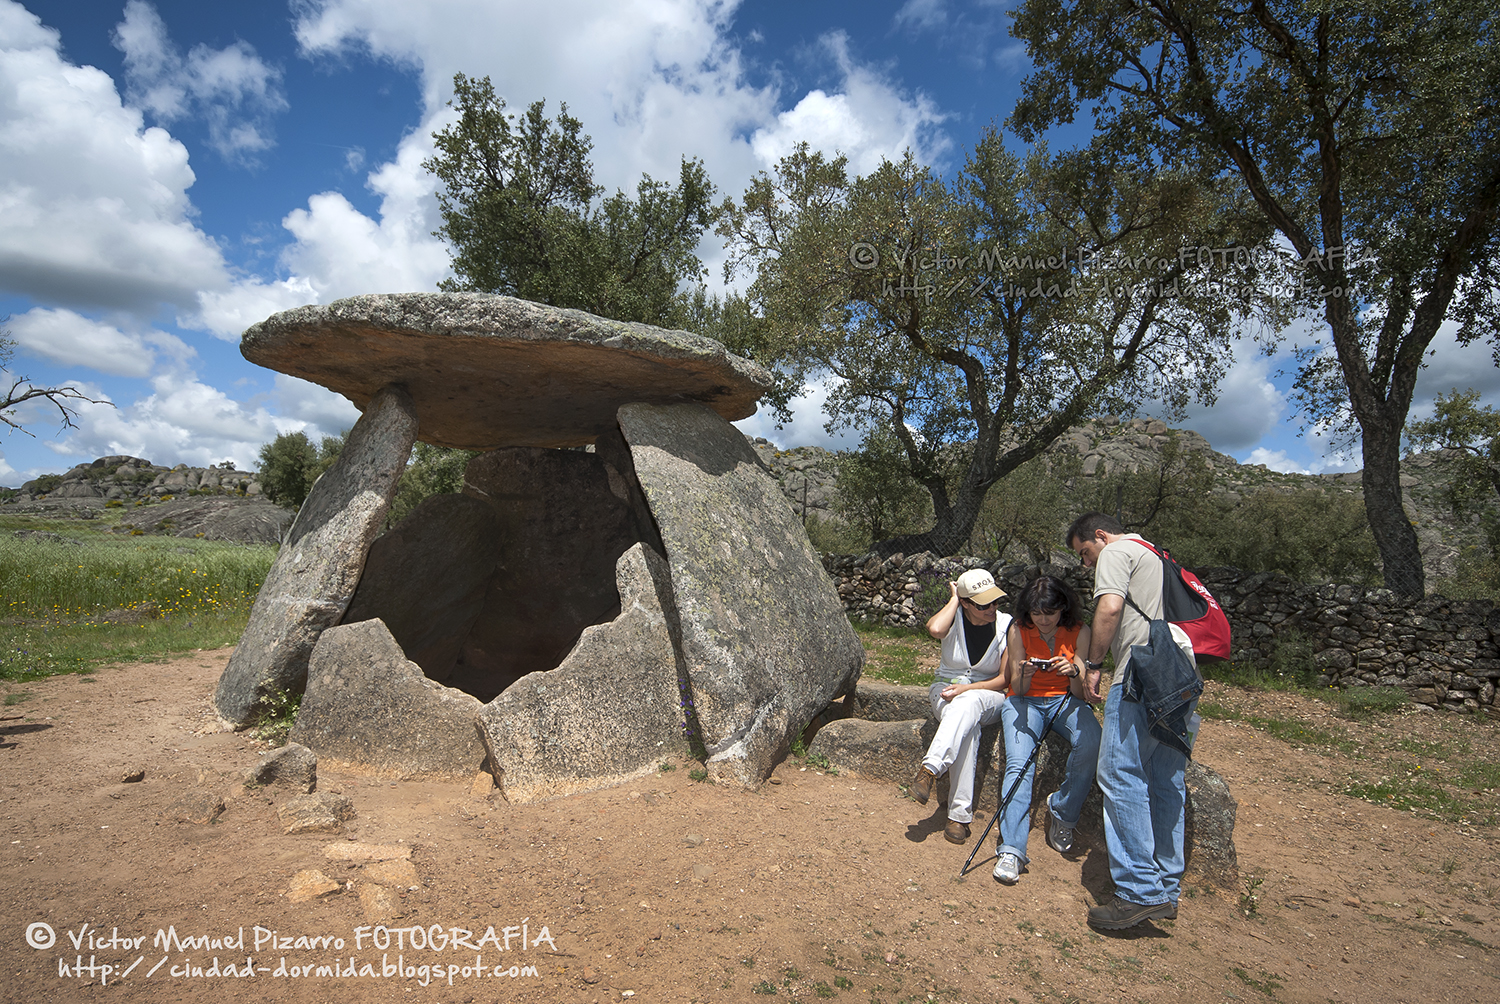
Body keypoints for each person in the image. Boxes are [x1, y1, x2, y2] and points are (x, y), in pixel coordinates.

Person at [1066, 511, 1194, 930]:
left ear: (1100, 536)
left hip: (1141, 670)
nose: (1086, 564)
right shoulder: (1157, 554)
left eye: (1085, 552)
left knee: (1119, 773)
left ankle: (1139, 890)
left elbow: (1111, 607)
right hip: (1181, 670)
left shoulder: (1117, 551)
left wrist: (1095, 664)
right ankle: (1166, 889)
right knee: (1165, 778)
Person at [991, 575, 1101, 885]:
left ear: (1062, 608)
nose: (1042, 620)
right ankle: (1011, 849)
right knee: (1019, 765)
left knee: (1092, 741)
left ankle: (1063, 812)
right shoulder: (1018, 629)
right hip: (1024, 702)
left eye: (1049, 613)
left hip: (1064, 699)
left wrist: (1075, 671)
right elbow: (1018, 689)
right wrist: (1023, 672)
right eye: (1036, 613)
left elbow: (1080, 695)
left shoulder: (1080, 631)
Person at [909, 569, 1011, 845]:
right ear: (966, 603)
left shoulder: (1006, 625)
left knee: (968, 702)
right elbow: (934, 629)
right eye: (983, 603)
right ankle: (958, 817)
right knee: (969, 731)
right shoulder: (952, 619)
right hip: (945, 692)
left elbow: (1005, 679)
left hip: (988, 695)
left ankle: (930, 769)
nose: (992, 608)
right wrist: (954, 599)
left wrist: (967, 689)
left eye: (995, 601)